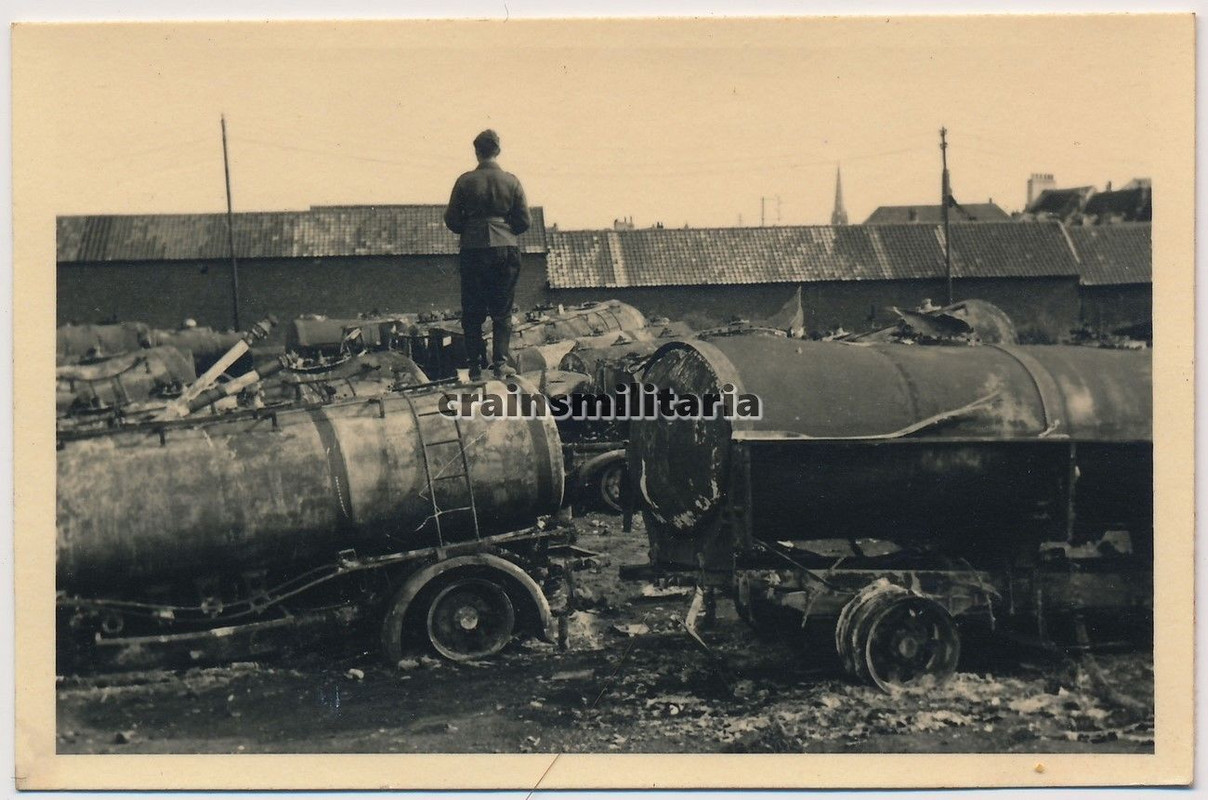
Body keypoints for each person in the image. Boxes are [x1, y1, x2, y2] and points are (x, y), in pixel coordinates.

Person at [443, 129, 531, 380]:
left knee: (472, 312)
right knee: (502, 311)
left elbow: (451, 219)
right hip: (505, 250)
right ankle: (501, 364)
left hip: (473, 250)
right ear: (498, 151)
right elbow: (525, 221)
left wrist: (470, 229)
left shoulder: (464, 181)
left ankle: (474, 367)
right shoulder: (512, 181)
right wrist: (505, 230)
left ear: (476, 152)